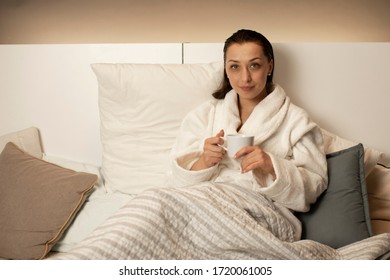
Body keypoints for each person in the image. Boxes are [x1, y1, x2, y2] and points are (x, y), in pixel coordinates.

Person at [170, 29, 328, 240]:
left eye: (254, 65)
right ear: (226, 70)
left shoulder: (296, 121)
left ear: (269, 66)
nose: (245, 78)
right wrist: (205, 161)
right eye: (235, 67)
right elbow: (175, 182)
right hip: (204, 203)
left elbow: (314, 187)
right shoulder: (205, 114)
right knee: (150, 204)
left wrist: (271, 165)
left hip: (261, 213)